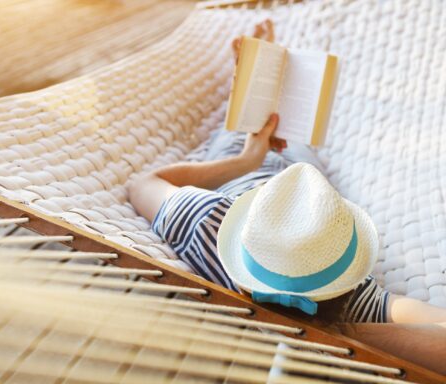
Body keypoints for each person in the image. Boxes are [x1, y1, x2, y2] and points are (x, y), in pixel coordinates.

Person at [129, 20, 446, 374]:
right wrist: (339, 333)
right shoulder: (351, 300)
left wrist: (244, 160)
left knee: (249, 124)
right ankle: (260, 69)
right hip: (305, 185)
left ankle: (253, 73)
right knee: (289, 130)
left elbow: (144, 183)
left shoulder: (208, 221)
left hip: (241, 173)